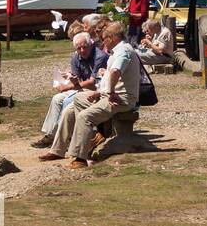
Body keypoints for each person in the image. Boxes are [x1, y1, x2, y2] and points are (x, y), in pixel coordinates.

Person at [39, 21, 140, 168]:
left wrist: (110, 92)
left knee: (84, 117)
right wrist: (99, 92)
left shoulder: (123, 51)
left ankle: (80, 157)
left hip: (120, 99)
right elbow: (112, 76)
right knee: (71, 108)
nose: (102, 42)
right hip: (108, 95)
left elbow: (115, 72)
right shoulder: (118, 51)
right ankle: (59, 150)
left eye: (104, 38)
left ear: (111, 38)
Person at [29, 32, 102, 149]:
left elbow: (92, 82)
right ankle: (50, 135)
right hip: (82, 88)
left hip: (96, 89)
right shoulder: (75, 58)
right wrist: (69, 79)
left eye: (85, 47)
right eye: (79, 48)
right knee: (56, 99)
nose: (82, 50)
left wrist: (67, 87)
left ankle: (61, 137)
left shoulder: (99, 56)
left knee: (68, 101)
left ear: (90, 45)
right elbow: (77, 81)